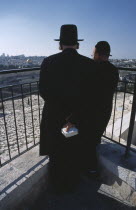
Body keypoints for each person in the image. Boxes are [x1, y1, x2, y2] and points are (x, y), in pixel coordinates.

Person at [39, 24, 95, 192]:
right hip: (79, 117)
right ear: (77, 44)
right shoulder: (89, 64)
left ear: (60, 44)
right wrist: (72, 115)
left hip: (54, 116)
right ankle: (72, 183)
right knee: (74, 150)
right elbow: (91, 95)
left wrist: (62, 112)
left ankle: (57, 184)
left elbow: (43, 91)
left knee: (56, 151)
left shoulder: (48, 62)